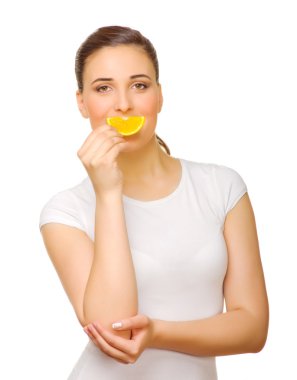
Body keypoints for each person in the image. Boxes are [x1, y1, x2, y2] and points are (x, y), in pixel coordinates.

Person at [39, 25, 269, 380]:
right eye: (103, 88)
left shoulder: (222, 187)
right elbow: (112, 331)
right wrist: (109, 193)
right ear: (82, 103)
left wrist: (158, 333)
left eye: (139, 85)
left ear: (159, 96)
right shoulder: (65, 211)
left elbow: (253, 329)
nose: (124, 104)